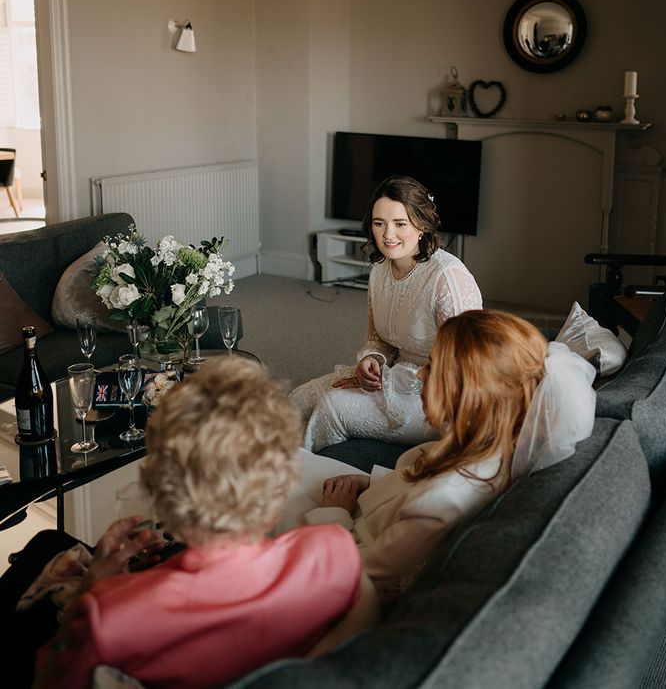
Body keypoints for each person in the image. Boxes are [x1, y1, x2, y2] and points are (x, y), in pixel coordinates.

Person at [2, 357, 365, 689]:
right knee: (48, 541)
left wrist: (90, 591)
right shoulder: (334, 551)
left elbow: (50, 681)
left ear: (159, 489)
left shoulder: (108, 615)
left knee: (45, 547)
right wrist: (334, 514)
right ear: (284, 482)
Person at [279, 309, 597, 602]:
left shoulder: (440, 506)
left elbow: (354, 577)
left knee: (248, 491)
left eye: (431, 367)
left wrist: (333, 515)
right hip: (364, 505)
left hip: (333, 549)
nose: (419, 375)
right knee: (274, 462)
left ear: (466, 394)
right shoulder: (487, 447)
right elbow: (416, 488)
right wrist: (370, 480)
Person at [291, 174, 483, 452]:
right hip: (394, 376)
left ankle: (303, 479)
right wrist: (370, 361)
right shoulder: (379, 270)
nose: (387, 235)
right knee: (300, 398)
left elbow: (467, 367)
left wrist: (393, 381)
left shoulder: (447, 278)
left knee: (332, 407)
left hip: (441, 400)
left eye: (400, 224)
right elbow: (378, 340)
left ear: (422, 225)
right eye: (379, 223)